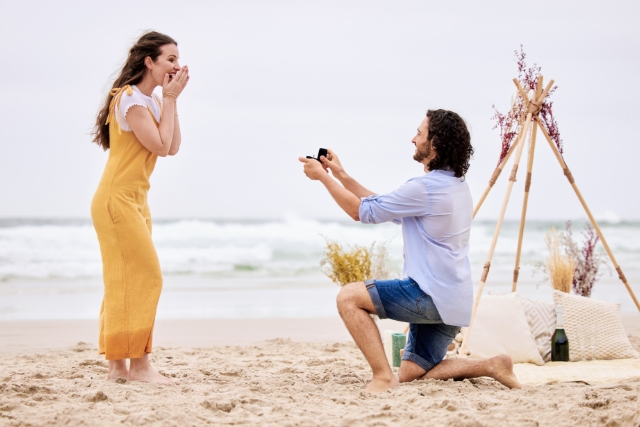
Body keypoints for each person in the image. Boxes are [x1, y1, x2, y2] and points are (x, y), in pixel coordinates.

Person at [299, 109, 521, 393]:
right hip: (453, 301)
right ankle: (492, 365)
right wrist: (340, 174)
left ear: (435, 144)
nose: (413, 139)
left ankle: (381, 377)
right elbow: (379, 203)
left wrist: (323, 178)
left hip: (429, 296)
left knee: (348, 298)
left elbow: (360, 211)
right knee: (412, 374)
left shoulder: (425, 189)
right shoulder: (456, 186)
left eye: (419, 133)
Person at [90, 31, 190, 384]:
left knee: (123, 280)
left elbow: (172, 146)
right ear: (149, 62)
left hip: (135, 200)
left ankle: (118, 367)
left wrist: (170, 100)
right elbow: (160, 147)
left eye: (178, 60)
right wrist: (171, 99)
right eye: (170, 59)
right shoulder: (130, 99)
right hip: (116, 199)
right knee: (147, 276)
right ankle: (140, 366)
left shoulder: (152, 102)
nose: (177, 66)